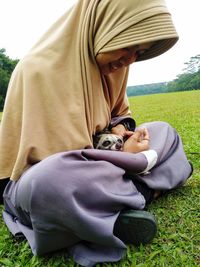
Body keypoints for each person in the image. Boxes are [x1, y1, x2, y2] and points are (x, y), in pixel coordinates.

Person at [0, 0, 192, 266]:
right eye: (127, 46)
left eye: (139, 51)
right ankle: (148, 189)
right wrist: (126, 157)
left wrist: (122, 132)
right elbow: (60, 160)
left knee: (164, 131)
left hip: (105, 163)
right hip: (52, 176)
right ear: (104, 28)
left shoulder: (117, 68)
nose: (129, 60)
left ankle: (106, 209)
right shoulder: (39, 70)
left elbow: (118, 113)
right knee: (49, 184)